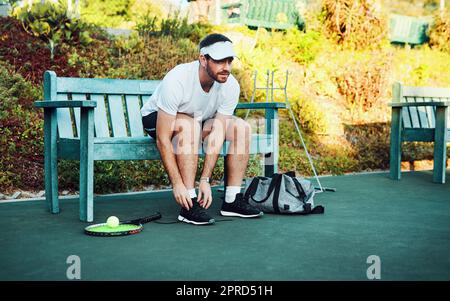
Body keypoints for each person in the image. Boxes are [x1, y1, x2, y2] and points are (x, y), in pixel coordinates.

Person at [140, 33, 263, 225]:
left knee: (242, 128)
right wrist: (177, 184)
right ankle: (189, 202)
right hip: (158, 119)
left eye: (229, 61)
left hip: (198, 120)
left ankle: (232, 200)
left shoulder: (230, 86)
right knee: (189, 126)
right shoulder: (177, 79)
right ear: (203, 59)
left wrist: (205, 179)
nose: (226, 67)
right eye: (220, 61)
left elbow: (219, 131)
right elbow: (163, 139)